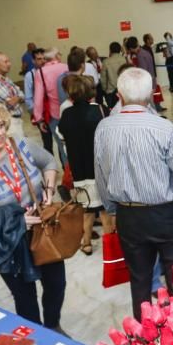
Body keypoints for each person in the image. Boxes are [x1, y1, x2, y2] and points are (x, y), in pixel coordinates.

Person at [95, 68, 173, 319]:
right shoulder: (163, 127)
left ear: (119, 94)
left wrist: (112, 210)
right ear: (151, 94)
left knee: (140, 280)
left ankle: (144, 342)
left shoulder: (104, 128)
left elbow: (101, 175)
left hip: (128, 215)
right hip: (168, 214)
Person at [0, 102, 65, 332]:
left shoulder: (21, 145)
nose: (0, 133)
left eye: (0, 125)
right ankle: (38, 336)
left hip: (42, 231)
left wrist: (48, 188)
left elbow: (49, 162)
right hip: (8, 243)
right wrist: (15, 222)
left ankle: (53, 325)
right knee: (25, 297)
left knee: (56, 284)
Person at [55, 75, 109, 254]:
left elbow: (61, 137)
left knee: (86, 209)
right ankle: (110, 244)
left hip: (79, 171)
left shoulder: (66, 115)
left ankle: (86, 243)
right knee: (105, 210)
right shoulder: (101, 111)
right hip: (101, 169)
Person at [33, 48, 68, 165]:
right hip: (70, 110)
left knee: (62, 146)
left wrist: (39, 119)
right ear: (56, 56)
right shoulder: (65, 67)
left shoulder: (41, 73)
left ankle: (68, 174)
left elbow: (38, 98)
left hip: (54, 115)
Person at [0, 52, 24, 141]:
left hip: (15, 121)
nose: (9, 64)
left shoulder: (5, 78)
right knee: (17, 151)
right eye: (6, 62)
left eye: (9, 61)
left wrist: (18, 97)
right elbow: (11, 102)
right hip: (9, 123)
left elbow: (21, 94)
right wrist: (18, 98)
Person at [100, 42, 125, 108]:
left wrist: (105, 90)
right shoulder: (124, 60)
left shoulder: (106, 61)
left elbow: (103, 79)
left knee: (112, 110)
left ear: (110, 50)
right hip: (123, 89)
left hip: (110, 91)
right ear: (120, 50)